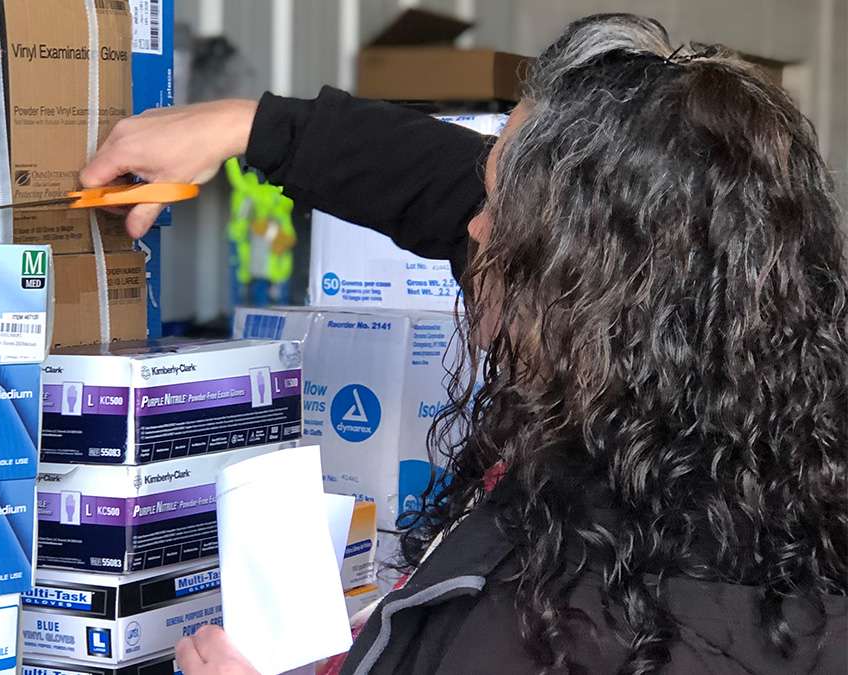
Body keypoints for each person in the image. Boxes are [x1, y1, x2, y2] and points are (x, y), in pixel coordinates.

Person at [82, 13, 848, 675]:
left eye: (503, 211)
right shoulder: (738, 422)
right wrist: (251, 128)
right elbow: (448, 184)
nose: (473, 227)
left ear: (590, 278)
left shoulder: (570, 624)